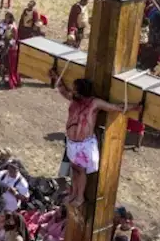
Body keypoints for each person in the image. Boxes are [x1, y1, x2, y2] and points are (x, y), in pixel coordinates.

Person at [56, 76, 140, 206]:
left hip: (84, 144)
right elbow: (62, 91)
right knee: (74, 169)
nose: (72, 91)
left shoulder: (94, 103)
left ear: (81, 90)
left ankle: (79, 197)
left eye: (75, 89)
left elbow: (115, 107)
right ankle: (73, 194)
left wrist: (134, 107)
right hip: (72, 143)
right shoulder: (74, 99)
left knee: (81, 170)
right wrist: (57, 77)